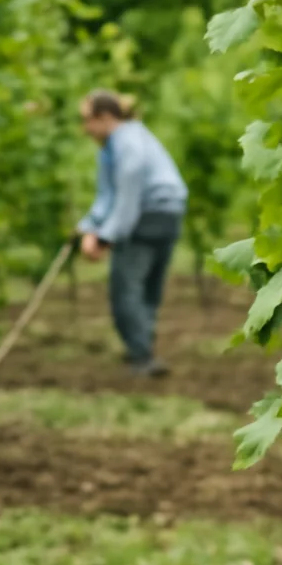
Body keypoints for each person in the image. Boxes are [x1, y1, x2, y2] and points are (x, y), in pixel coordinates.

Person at [76, 89, 188, 378]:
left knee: (126, 290)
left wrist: (104, 237)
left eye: (86, 120)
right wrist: (88, 225)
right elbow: (108, 197)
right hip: (169, 215)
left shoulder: (125, 144)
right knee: (148, 289)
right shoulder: (128, 140)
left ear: (104, 117)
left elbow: (126, 199)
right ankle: (142, 350)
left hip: (146, 219)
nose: (84, 128)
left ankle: (141, 356)